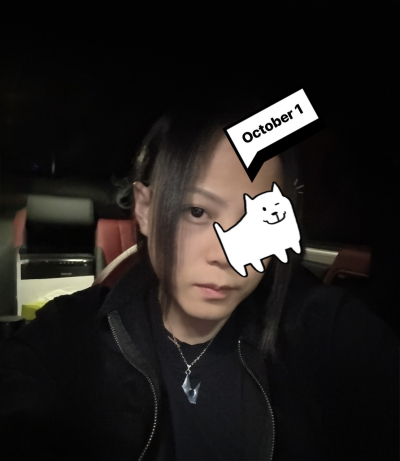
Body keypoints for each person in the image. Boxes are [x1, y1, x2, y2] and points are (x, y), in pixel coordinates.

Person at [0, 91, 398, 461]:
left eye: (258, 222)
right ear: (145, 209)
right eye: (197, 212)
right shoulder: (70, 337)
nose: (226, 257)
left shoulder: (322, 329)